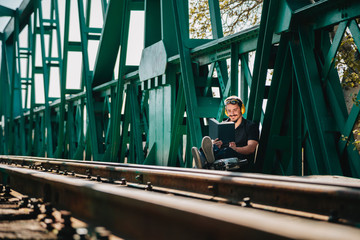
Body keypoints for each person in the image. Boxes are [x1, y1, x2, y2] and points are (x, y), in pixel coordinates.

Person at [192, 96, 259, 171]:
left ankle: (203, 160)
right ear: (226, 112)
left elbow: (251, 148)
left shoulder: (250, 126)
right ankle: (206, 156)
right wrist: (216, 143)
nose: (232, 113)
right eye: (229, 111)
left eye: (235, 110)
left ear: (241, 109)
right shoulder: (223, 125)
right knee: (213, 147)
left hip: (238, 160)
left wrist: (236, 149)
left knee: (228, 150)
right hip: (222, 158)